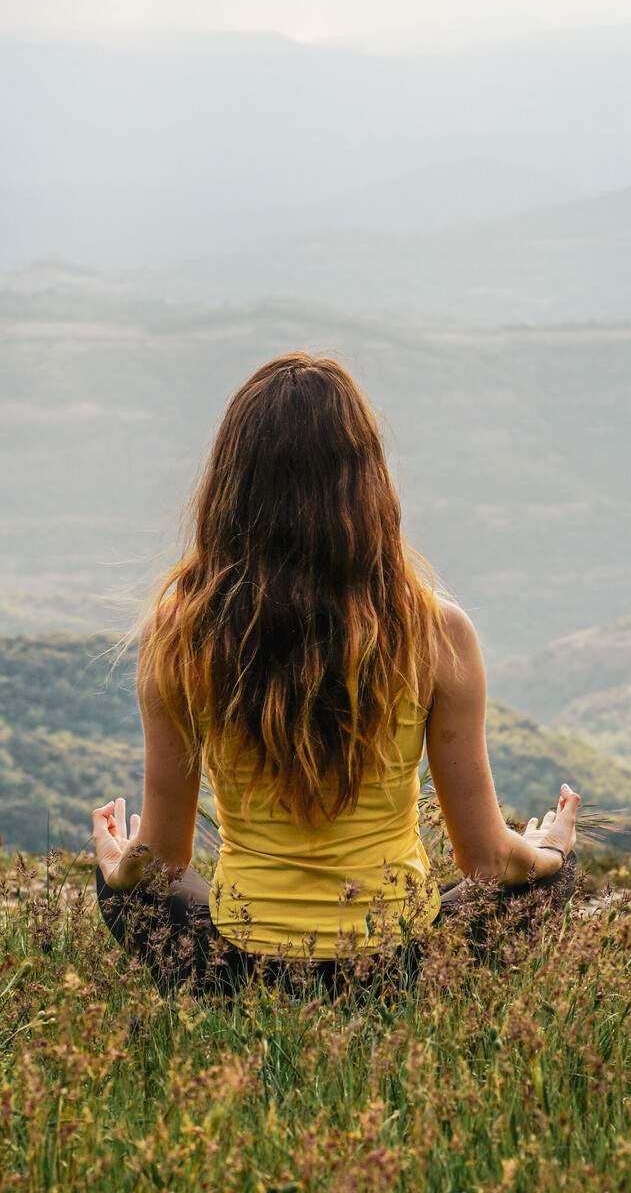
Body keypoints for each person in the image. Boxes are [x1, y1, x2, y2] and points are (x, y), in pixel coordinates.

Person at [92, 352, 581, 991]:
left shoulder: (181, 630)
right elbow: (487, 860)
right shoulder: (437, 632)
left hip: (237, 973)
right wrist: (549, 853)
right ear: (369, 485)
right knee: (550, 878)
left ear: (231, 488)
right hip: (398, 972)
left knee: (125, 886)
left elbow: (164, 861)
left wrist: (118, 868)